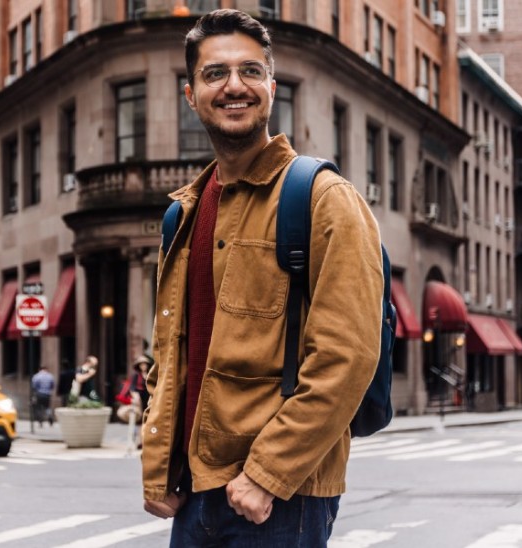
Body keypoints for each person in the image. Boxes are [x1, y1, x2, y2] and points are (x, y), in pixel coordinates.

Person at [140, 10, 383, 546]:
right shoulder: (185, 213)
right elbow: (171, 355)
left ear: (271, 87)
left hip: (278, 499)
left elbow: (347, 358)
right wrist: (158, 465)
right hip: (196, 494)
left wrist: (266, 474)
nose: (234, 87)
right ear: (190, 94)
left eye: (250, 72)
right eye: (215, 74)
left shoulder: (324, 199)